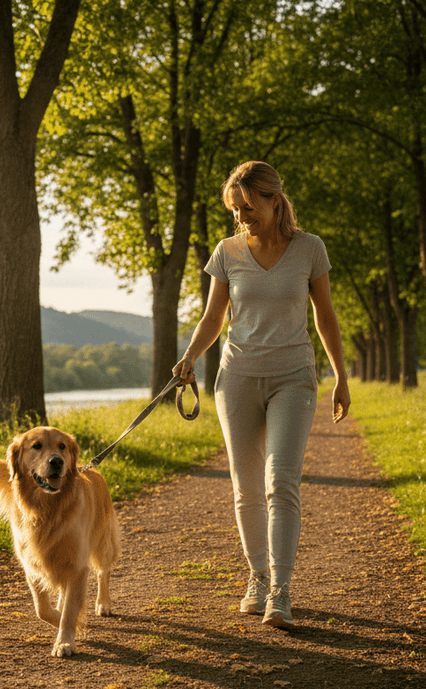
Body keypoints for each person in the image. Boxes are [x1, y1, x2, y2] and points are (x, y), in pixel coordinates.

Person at [172, 160, 350, 629]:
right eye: (235, 209)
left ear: (274, 200)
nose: (241, 217)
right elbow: (214, 317)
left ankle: (282, 590)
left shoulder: (309, 249)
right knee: (246, 487)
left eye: (248, 207)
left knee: (281, 481)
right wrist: (189, 357)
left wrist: (340, 375)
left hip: (294, 376)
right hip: (237, 378)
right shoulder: (227, 252)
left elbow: (325, 315)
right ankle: (258, 578)